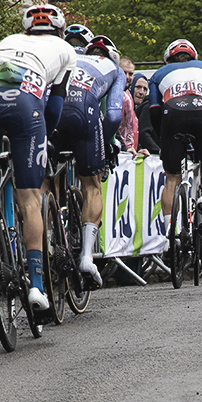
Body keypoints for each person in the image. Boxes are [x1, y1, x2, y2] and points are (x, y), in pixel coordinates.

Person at [0, 2, 75, 312]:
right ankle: (37, 287)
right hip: (26, 107)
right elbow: (53, 108)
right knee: (29, 198)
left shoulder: (7, 42)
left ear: (26, 29)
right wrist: (43, 139)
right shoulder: (65, 49)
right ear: (60, 30)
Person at [51, 33, 125, 285]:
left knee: (39, 184)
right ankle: (86, 258)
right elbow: (114, 116)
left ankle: (47, 240)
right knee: (92, 186)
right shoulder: (114, 69)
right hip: (84, 113)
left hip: (53, 112)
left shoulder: (67, 58)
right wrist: (104, 143)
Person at [148, 38, 202, 246]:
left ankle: (172, 233)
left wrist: (164, 140)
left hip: (172, 116)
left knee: (171, 178)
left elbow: (153, 110)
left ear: (169, 59)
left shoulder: (160, 73)